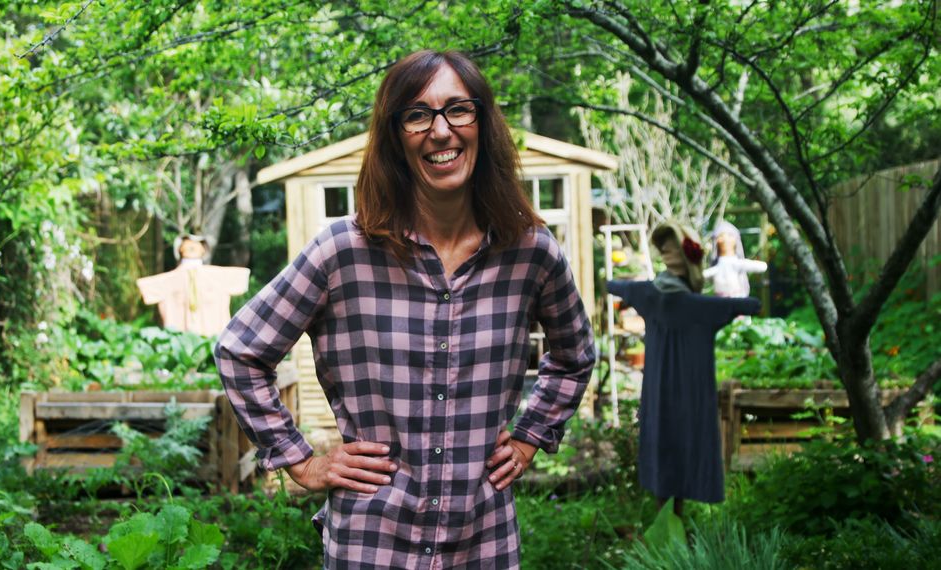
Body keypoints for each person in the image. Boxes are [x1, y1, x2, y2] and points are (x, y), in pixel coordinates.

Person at [214, 50, 595, 569]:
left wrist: (530, 437)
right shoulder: (341, 252)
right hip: (371, 547)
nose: (441, 131)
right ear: (395, 135)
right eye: (418, 115)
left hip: (483, 547)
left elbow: (574, 357)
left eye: (458, 109)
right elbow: (240, 350)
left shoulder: (530, 254)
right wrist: (301, 461)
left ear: (483, 122)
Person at [607, 222, 759, 518]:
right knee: (682, 447)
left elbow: (614, 285)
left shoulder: (650, 296)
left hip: (660, 392)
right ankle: (672, 529)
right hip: (691, 395)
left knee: (665, 450)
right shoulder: (698, 306)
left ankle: (668, 530)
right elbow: (751, 304)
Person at [703, 220, 767, 298]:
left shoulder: (739, 264)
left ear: (736, 240)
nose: (725, 239)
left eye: (729, 235)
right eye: (721, 236)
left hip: (739, 302)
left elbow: (762, 267)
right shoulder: (717, 268)